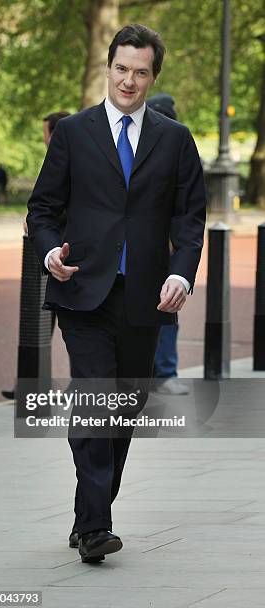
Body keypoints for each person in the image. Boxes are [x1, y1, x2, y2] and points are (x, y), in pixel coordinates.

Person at [27, 23, 206, 563]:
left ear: (153, 76)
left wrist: (181, 272)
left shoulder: (174, 139)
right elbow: (43, 210)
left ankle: (88, 515)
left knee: (124, 407)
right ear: (109, 67)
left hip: (145, 298)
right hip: (82, 290)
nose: (130, 80)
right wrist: (50, 252)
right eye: (122, 68)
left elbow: (189, 216)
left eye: (141, 71)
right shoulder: (75, 134)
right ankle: (97, 527)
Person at [1, 111, 71, 401]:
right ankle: (30, 385)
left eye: (45, 132)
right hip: (47, 249)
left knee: (66, 320)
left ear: (52, 133)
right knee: (39, 319)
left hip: (61, 251)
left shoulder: (69, 155)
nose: (43, 138)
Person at [147, 93, 189, 395]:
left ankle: (164, 372)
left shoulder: (180, 150)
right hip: (143, 246)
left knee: (167, 309)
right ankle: (156, 374)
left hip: (167, 248)